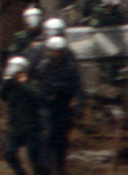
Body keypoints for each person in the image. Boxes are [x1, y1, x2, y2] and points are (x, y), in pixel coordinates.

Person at [35, 36, 82, 175]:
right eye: (53, 51)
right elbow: (40, 88)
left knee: (61, 139)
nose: (55, 54)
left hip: (63, 107)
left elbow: (77, 87)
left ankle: (59, 166)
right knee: (47, 137)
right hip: (48, 106)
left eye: (58, 51)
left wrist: (78, 105)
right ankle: (45, 167)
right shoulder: (43, 67)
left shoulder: (70, 67)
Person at [0, 56, 44, 175]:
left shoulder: (33, 83)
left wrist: (23, 83)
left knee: (35, 159)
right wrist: (6, 82)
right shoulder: (11, 85)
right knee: (9, 153)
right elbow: (2, 96)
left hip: (30, 126)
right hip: (14, 126)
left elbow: (38, 96)